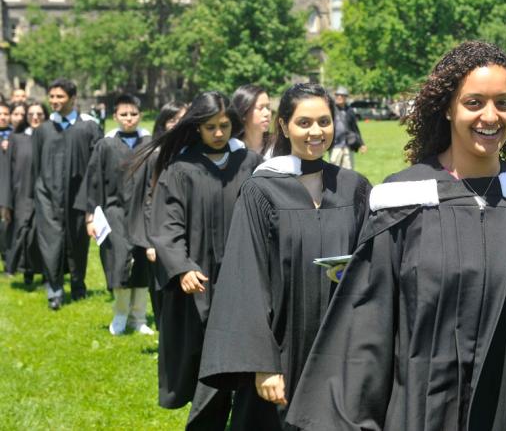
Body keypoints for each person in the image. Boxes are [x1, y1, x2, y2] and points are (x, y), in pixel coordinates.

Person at [285, 41, 506, 431]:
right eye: (474, 102)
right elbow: (367, 324)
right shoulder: (403, 202)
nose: (491, 116)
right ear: (448, 108)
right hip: (422, 411)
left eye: (503, 102)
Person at [199, 83, 372, 430]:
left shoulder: (354, 187)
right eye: (304, 123)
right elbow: (245, 277)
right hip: (282, 349)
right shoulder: (261, 190)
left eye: (324, 122)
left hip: (342, 345)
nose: (316, 132)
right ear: (284, 126)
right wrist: (262, 363)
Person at [141, 91, 262, 429]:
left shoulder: (248, 164)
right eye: (211, 126)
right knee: (207, 361)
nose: (219, 133)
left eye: (225, 125)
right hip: (201, 284)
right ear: (197, 128)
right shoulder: (181, 169)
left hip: (243, 279)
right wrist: (181, 267)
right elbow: (167, 228)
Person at [74, 94, 154, 336]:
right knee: (118, 262)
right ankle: (120, 314)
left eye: (133, 114)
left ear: (140, 115)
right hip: (114, 213)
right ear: (115, 117)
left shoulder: (150, 144)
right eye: (123, 114)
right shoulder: (106, 145)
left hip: (143, 213)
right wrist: (90, 216)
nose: (129, 119)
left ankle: (138, 318)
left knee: (141, 264)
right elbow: (94, 181)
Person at [32, 78, 103, 310]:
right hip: (47, 196)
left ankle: (78, 284)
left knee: (78, 242)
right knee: (51, 243)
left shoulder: (88, 127)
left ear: (73, 98)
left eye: (60, 96)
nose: (54, 101)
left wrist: (92, 202)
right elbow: (36, 166)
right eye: (51, 97)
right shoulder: (43, 130)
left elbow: (97, 167)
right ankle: (54, 290)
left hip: (78, 196)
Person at [127, 100, 187, 329]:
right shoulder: (158, 155)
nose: (178, 124)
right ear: (163, 124)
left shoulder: (193, 152)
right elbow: (149, 199)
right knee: (163, 288)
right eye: (173, 119)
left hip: (186, 231)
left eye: (183, 118)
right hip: (162, 234)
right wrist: (151, 241)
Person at [0, 101, 48, 284]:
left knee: (43, 234)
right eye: (31, 114)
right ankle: (23, 269)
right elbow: (7, 172)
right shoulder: (16, 138)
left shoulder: (52, 136)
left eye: (39, 114)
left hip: (46, 194)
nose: (35, 117)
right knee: (23, 232)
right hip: (21, 194)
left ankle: (46, 272)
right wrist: (5, 202)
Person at [231, 84, 274, 157]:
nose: (267, 113)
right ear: (244, 112)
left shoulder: (277, 146)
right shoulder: (232, 148)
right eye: (260, 108)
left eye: (268, 107)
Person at [329, 86, 366, 169]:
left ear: (345, 97)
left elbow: (355, 128)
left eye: (342, 95)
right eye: (337, 95)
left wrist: (361, 144)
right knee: (333, 170)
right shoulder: (330, 110)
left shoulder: (350, 111)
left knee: (348, 170)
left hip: (348, 144)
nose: (339, 97)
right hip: (335, 145)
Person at [0, 100, 13, 267]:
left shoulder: (15, 135)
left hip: (7, 184)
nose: (2, 117)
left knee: (6, 223)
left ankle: (7, 256)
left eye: (5, 114)